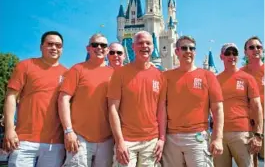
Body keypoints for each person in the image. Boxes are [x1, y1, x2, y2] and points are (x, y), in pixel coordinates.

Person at [4, 31, 67, 167]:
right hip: (24, 140)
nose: (54, 48)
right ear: (41, 47)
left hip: (54, 143)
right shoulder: (25, 65)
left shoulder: (67, 74)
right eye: (49, 44)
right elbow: (11, 97)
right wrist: (9, 128)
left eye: (58, 45)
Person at [162, 35, 224, 167]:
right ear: (176, 51)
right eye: (184, 48)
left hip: (197, 137)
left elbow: (218, 109)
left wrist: (218, 138)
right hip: (171, 138)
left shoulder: (208, 76)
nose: (188, 51)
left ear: (195, 52)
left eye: (192, 48)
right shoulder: (165, 77)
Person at [107, 31, 166, 167]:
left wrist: (162, 139)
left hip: (151, 141)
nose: (144, 46)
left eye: (148, 43)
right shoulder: (120, 74)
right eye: (140, 43)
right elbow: (112, 109)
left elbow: (161, 110)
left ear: (152, 47)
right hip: (127, 141)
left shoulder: (160, 76)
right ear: (133, 47)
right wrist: (120, 141)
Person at [58, 33, 114, 167]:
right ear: (88, 48)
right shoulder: (77, 69)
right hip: (80, 138)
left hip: (106, 139)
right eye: (95, 45)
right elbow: (63, 99)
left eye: (103, 45)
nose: (99, 47)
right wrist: (68, 131)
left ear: (107, 50)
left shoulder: (113, 73)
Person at [214, 43, 263, 167]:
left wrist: (258, 135)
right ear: (221, 56)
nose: (232, 56)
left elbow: (257, 107)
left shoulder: (247, 78)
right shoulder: (215, 80)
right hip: (220, 135)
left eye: (234, 53)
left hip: (242, 133)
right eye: (228, 53)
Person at [241, 36, 264, 160]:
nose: (256, 49)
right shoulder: (240, 73)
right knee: (250, 161)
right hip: (247, 123)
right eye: (252, 47)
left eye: (259, 47)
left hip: (264, 121)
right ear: (245, 52)